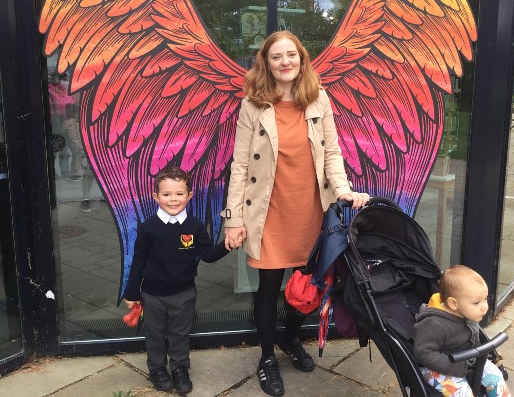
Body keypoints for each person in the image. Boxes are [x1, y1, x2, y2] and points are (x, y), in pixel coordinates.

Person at [220, 31, 370, 397]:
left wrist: (343, 190)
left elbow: (332, 153)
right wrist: (233, 219)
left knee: (306, 286)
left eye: (291, 55)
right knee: (269, 289)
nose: (285, 62)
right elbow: (240, 165)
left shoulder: (319, 99)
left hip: (310, 211)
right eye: (276, 57)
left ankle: (289, 338)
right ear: (266, 63)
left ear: (301, 60)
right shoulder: (252, 105)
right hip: (268, 212)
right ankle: (267, 358)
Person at [122, 166, 229, 394]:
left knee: (180, 334)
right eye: (166, 194)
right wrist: (131, 293)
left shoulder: (195, 226)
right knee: (155, 334)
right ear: (156, 197)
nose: (173, 199)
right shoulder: (148, 227)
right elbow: (138, 261)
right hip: (152, 295)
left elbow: (208, 256)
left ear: (189, 196)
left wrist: (227, 246)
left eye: (179, 194)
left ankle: (180, 369)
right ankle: (157, 369)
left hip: (184, 293)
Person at [413, 265, 511, 397]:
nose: (484, 307)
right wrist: (459, 368)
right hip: (435, 368)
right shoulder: (434, 324)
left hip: (469, 359)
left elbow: (474, 338)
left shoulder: (466, 313)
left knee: (496, 379)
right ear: (454, 304)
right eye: (476, 303)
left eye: (485, 299)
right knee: (462, 393)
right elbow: (423, 353)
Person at [61, 103, 83, 181]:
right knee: (77, 158)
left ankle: (74, 172)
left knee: (76, 158)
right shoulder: (72, 123)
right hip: (75, 143)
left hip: (73, 143)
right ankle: (73, 173)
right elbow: (72, 135)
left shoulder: (68, 123)